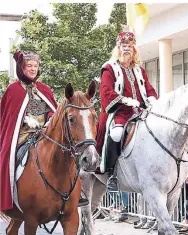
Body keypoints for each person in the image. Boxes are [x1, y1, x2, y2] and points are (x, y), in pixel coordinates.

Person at [0, 50, 87, 211]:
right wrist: (27, 120)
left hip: (45, 132)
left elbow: (54, 112)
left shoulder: (44, 89)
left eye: (35, 65)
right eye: (29, 66)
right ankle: (11, 191)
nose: (33, 69)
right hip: (22, 135)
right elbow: (10, 117)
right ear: (22, 68)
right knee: (15, 156)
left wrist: (49, 121)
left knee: (67, 152)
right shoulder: (13, 90)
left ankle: (77, 190)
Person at [96, 32, 158, 190]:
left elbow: (148, 88)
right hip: (120, 112)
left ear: (134, 49)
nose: (126, 50)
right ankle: (111, 173)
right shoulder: (109, 68)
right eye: (123, 47)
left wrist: (152, 99)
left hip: (140, 112)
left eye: (129, 47)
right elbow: (106, 91)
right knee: (116, 134)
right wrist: (125, 100)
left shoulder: (139, 70)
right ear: (118, 49)